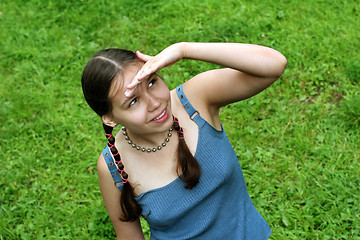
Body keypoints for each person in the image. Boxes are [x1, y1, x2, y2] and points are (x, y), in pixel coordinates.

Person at [81, 42, 287, 240]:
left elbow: (274, 65)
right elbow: (129, 237)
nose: (155, 103)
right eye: (133, 101)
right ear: (110, 118)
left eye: (152, 82)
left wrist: (183, 49)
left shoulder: (194, 100)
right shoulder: (113, 166)